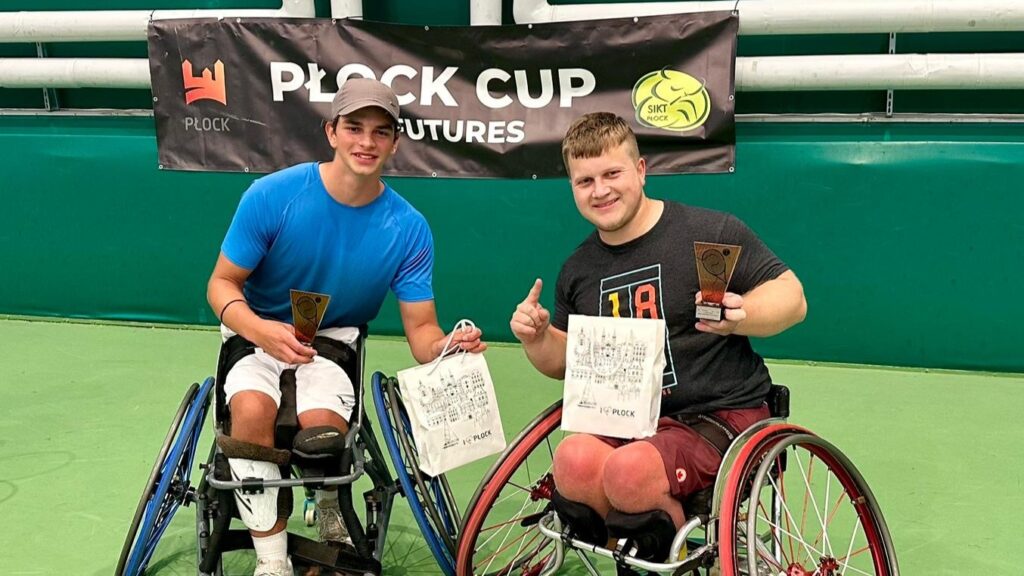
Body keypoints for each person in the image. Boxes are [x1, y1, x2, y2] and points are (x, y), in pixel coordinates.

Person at [207, 78, 485, 576]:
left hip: (332, 344)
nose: (366, 142)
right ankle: (272, 562)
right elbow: (221, 285)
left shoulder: (409, 227)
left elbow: (423, 333)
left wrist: (449, 346)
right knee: (250, 411)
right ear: (331, 132)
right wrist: (261, 330)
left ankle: (330, 500)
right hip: (257, 331)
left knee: (324, 434)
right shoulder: (272, 196)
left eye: (381, 133)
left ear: (395, 143)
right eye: (354, 128)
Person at [509, 112, 806, 560]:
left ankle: (672, 548)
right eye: (584, 181)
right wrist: (536, 338)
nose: (601, 190)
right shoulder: (578, 270)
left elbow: (792, 297)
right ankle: (644, 545)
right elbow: (564, 363)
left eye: (612, 173)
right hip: (628, 422)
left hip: (718, 413)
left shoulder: (709, 233)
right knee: (571, 462)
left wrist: (743, 314)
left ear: (641, 170)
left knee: (630, 472)